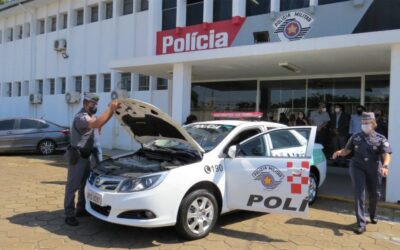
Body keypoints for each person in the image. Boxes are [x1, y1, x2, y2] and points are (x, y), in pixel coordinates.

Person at [64, 93, 120, 226]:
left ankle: (81, 209)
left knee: (85, 185)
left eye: (96, 104)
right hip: (77, 157)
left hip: (87, 156)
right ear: (85, 103)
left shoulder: (91, 116)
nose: (95, 106)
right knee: (73, 186)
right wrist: (110, 109)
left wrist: (111, 112)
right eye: (92, 104)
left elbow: (100, 122)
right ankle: (69, 214)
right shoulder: (81, 117)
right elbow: (97, 123)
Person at [332, 112, 392, 234]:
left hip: (374, 167)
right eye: (363, 123)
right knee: (359, 194)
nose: (364, 125)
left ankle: (373, 214)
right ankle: (361, 223)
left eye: (367, 123)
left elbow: (386, 154)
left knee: (375, 194)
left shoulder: (381, 138)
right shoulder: (355, 137)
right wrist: (339, 152)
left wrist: (385, 166)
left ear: (373, 123)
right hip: (357, 166)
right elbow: (347, 150)